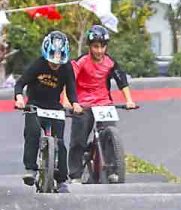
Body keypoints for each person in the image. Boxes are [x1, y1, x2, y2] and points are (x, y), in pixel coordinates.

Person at [14, 31, 82, 192]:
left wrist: (75, 103)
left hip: (54, 107)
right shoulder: (38, 64)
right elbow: (20, 83)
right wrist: (19, 98)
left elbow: (71, 88)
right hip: (35, 106)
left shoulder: (66, 68)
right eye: (52, 62)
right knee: (32, 132)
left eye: (58, 62)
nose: (55, 65)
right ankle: (30, 168)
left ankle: (61, 180)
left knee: (60, 142)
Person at [68, 25, 137, 183]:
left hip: (103, 102)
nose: (99, 51)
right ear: (90, 46)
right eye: (96, 47)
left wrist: (129, 100)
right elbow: (69, 81)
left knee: (110, 134)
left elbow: (122, 82)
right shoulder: (82, 61)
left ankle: (113, 169)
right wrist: (69, 101)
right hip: (83, 104)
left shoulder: (110, 63)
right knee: (78, 140)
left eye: (102, 46)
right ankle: (75, 175)